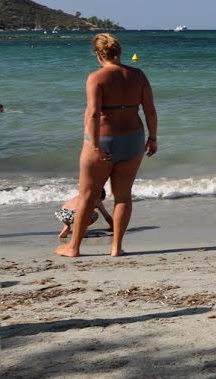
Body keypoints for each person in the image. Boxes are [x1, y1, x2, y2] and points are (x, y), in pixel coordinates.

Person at [55, 33, 157, 258]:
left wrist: (93, 145)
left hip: (104, 138)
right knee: (123, 196)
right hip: (133, 139)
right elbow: (150, 110)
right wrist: (153, 138)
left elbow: (92, 113)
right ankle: (116, 247)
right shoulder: (138, 75)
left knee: (88, 196)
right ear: (118, 52)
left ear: (99, 54)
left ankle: (74, 248)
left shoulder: (97, 77)